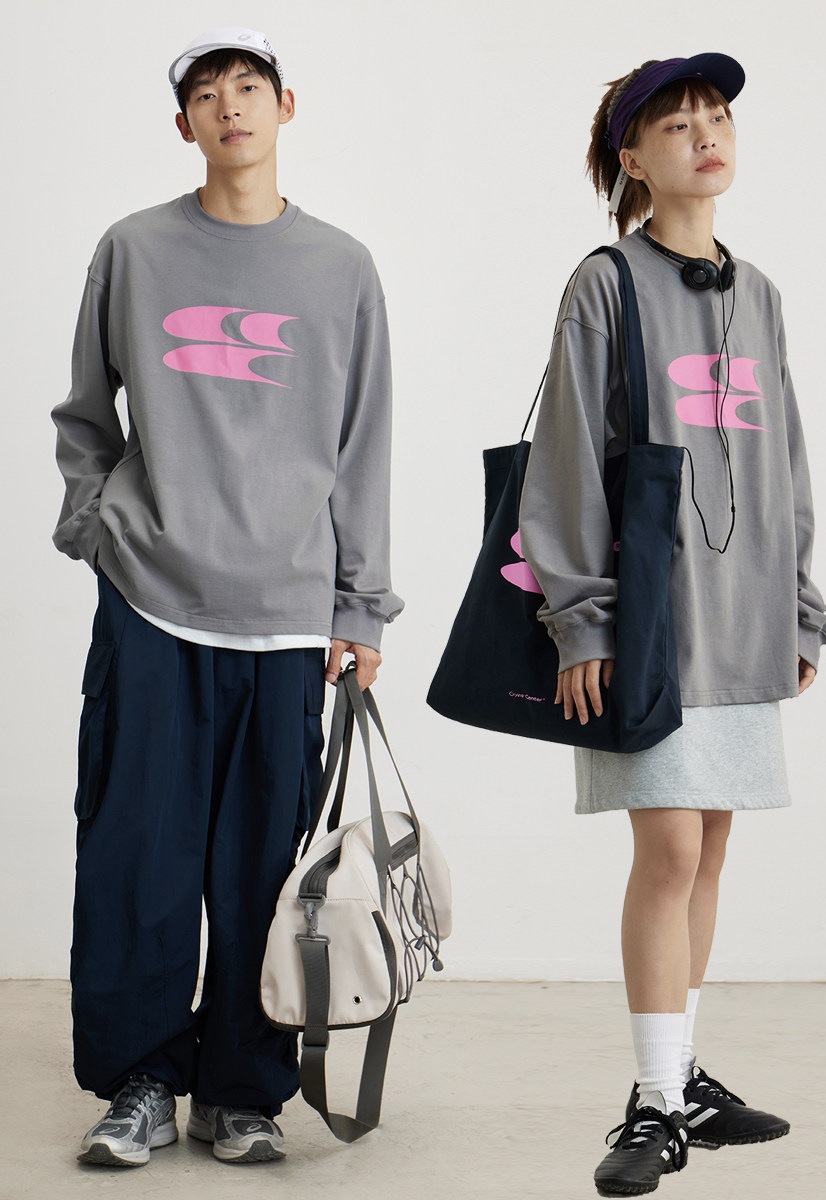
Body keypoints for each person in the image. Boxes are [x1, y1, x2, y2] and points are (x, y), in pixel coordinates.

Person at [51, 27, 402, 1167]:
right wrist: (98, 529)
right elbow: (85, 415)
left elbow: (363, 447)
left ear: (286, 106)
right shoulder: (134, 249)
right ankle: (142, 1082)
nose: (230, 106)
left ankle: (244, 1092)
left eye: (249, 87)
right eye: (207, 94)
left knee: (266, 869)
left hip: (288, 614)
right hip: (152, 598)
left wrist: (361, 606)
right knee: (136, 856)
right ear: (184, 125)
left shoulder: (341, 268)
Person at [518, 54, 826, 1197]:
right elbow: (564, 459)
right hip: (651, 623)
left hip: (745, 622)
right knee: (671, 853)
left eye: (718, 117)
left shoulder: (761, 295)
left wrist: (801, 606)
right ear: (633, 161)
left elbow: (784, 459)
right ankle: (654, 1102)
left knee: (713, 846)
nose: (706, 135)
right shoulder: (606, 284)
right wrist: (582, 624)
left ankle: (683, 1073)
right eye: (676, 124)